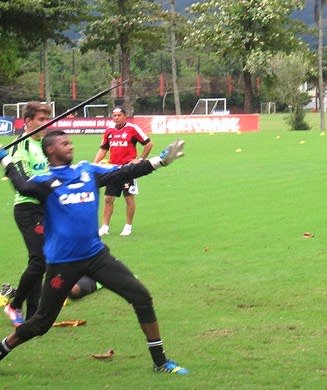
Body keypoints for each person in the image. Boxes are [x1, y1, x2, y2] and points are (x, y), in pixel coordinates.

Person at [0, 130, 188, 375]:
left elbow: (124, 172)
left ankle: (160, 362)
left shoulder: (87, 170)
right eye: (64, 143)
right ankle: (3, 348)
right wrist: (5, 159)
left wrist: (159, 161)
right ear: (50, 150)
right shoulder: (44, 181)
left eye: (70, 142)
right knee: (41, 323)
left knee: (141, 296)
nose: (70, 146)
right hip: (62, 263)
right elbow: (22, 186)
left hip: (96, 256)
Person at [3, 102, 51, 327]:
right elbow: (24, 185)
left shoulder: (44, 145)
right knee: (39, 260)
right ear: (27, 121)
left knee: (42, 260)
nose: (45, 124)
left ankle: (34, 313)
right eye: (40, 120)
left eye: (46, 119)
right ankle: (14, 305)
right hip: (27, 209)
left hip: (44, 208)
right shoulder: (20, 147)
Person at [94, 106, 153, 236]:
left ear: (125, 116)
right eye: (114, 115)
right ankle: (104, 227)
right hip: (113, 169)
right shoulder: (109, 131)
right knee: (108, 198)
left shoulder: (132, 129)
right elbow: (103, 148)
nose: (116, 118)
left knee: (128, 198)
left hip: (128, 170)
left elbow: (149, 143)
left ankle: (128, 226)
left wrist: (140, 159)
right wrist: (95, 164)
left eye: (119, 115)